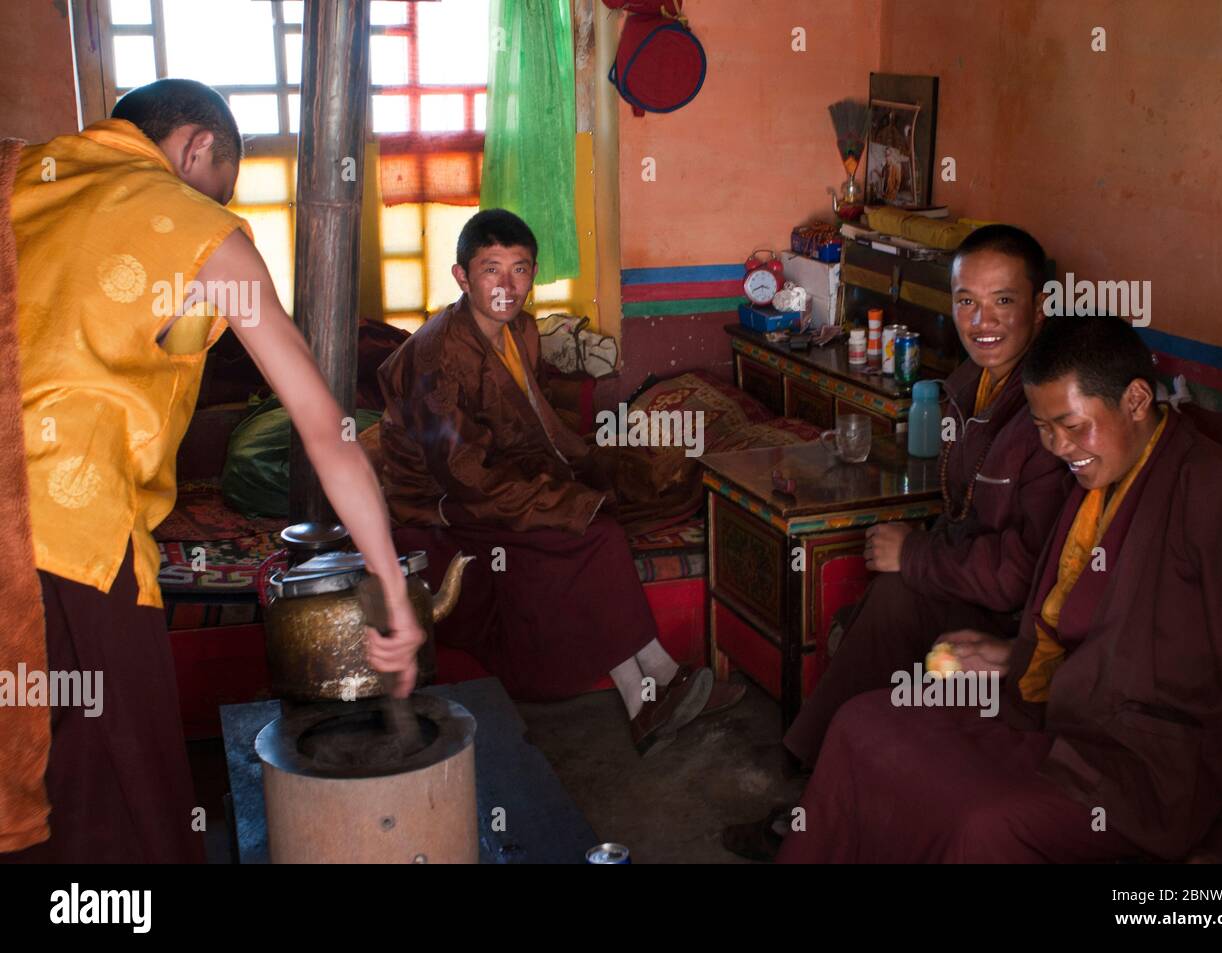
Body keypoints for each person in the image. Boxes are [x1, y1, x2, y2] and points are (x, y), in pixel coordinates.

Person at [0, 79, 424, 862]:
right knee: (113, 810)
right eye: (220, 181)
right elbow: (328, 431)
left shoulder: (20, 173)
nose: (217, 199)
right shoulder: (199, 230)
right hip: (70, 548)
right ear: (197, 149)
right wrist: (391, 587)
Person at [778, 315, 1222, 863]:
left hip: (1147, 769)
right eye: (1043, 427)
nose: (1057, 446)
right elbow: (1091, 624)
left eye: (1072, 425)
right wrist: (1014, 656)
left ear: (1138, 399)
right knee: (862, 725)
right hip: (1060, 710)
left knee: (982, 826)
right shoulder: (1102, 472)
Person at [725, 225, 1071, 859]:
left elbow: (1024, 571)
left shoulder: (1048, 408)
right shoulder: (972, 380)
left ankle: (814, 791)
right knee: (891, 596)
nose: (981, 320)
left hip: (1012, 613)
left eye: (1003, 301)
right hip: (972, 581)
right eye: (966, 301)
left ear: (1040, 306)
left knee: (896, 595)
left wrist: (915, 554)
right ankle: (817, 782)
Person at [378, 209, 742, 756]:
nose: (507, 286)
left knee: (607, 508)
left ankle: (657, 689)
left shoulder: (521, 330)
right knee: (587, 532)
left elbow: (532, 422)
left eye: (520, 270)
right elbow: (466, 475)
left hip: (496, 478)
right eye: (490, 270)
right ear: (461, 276)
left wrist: (581, 476)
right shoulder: (437, 357)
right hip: (441, 507)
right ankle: (653, 687)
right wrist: (559, 502)